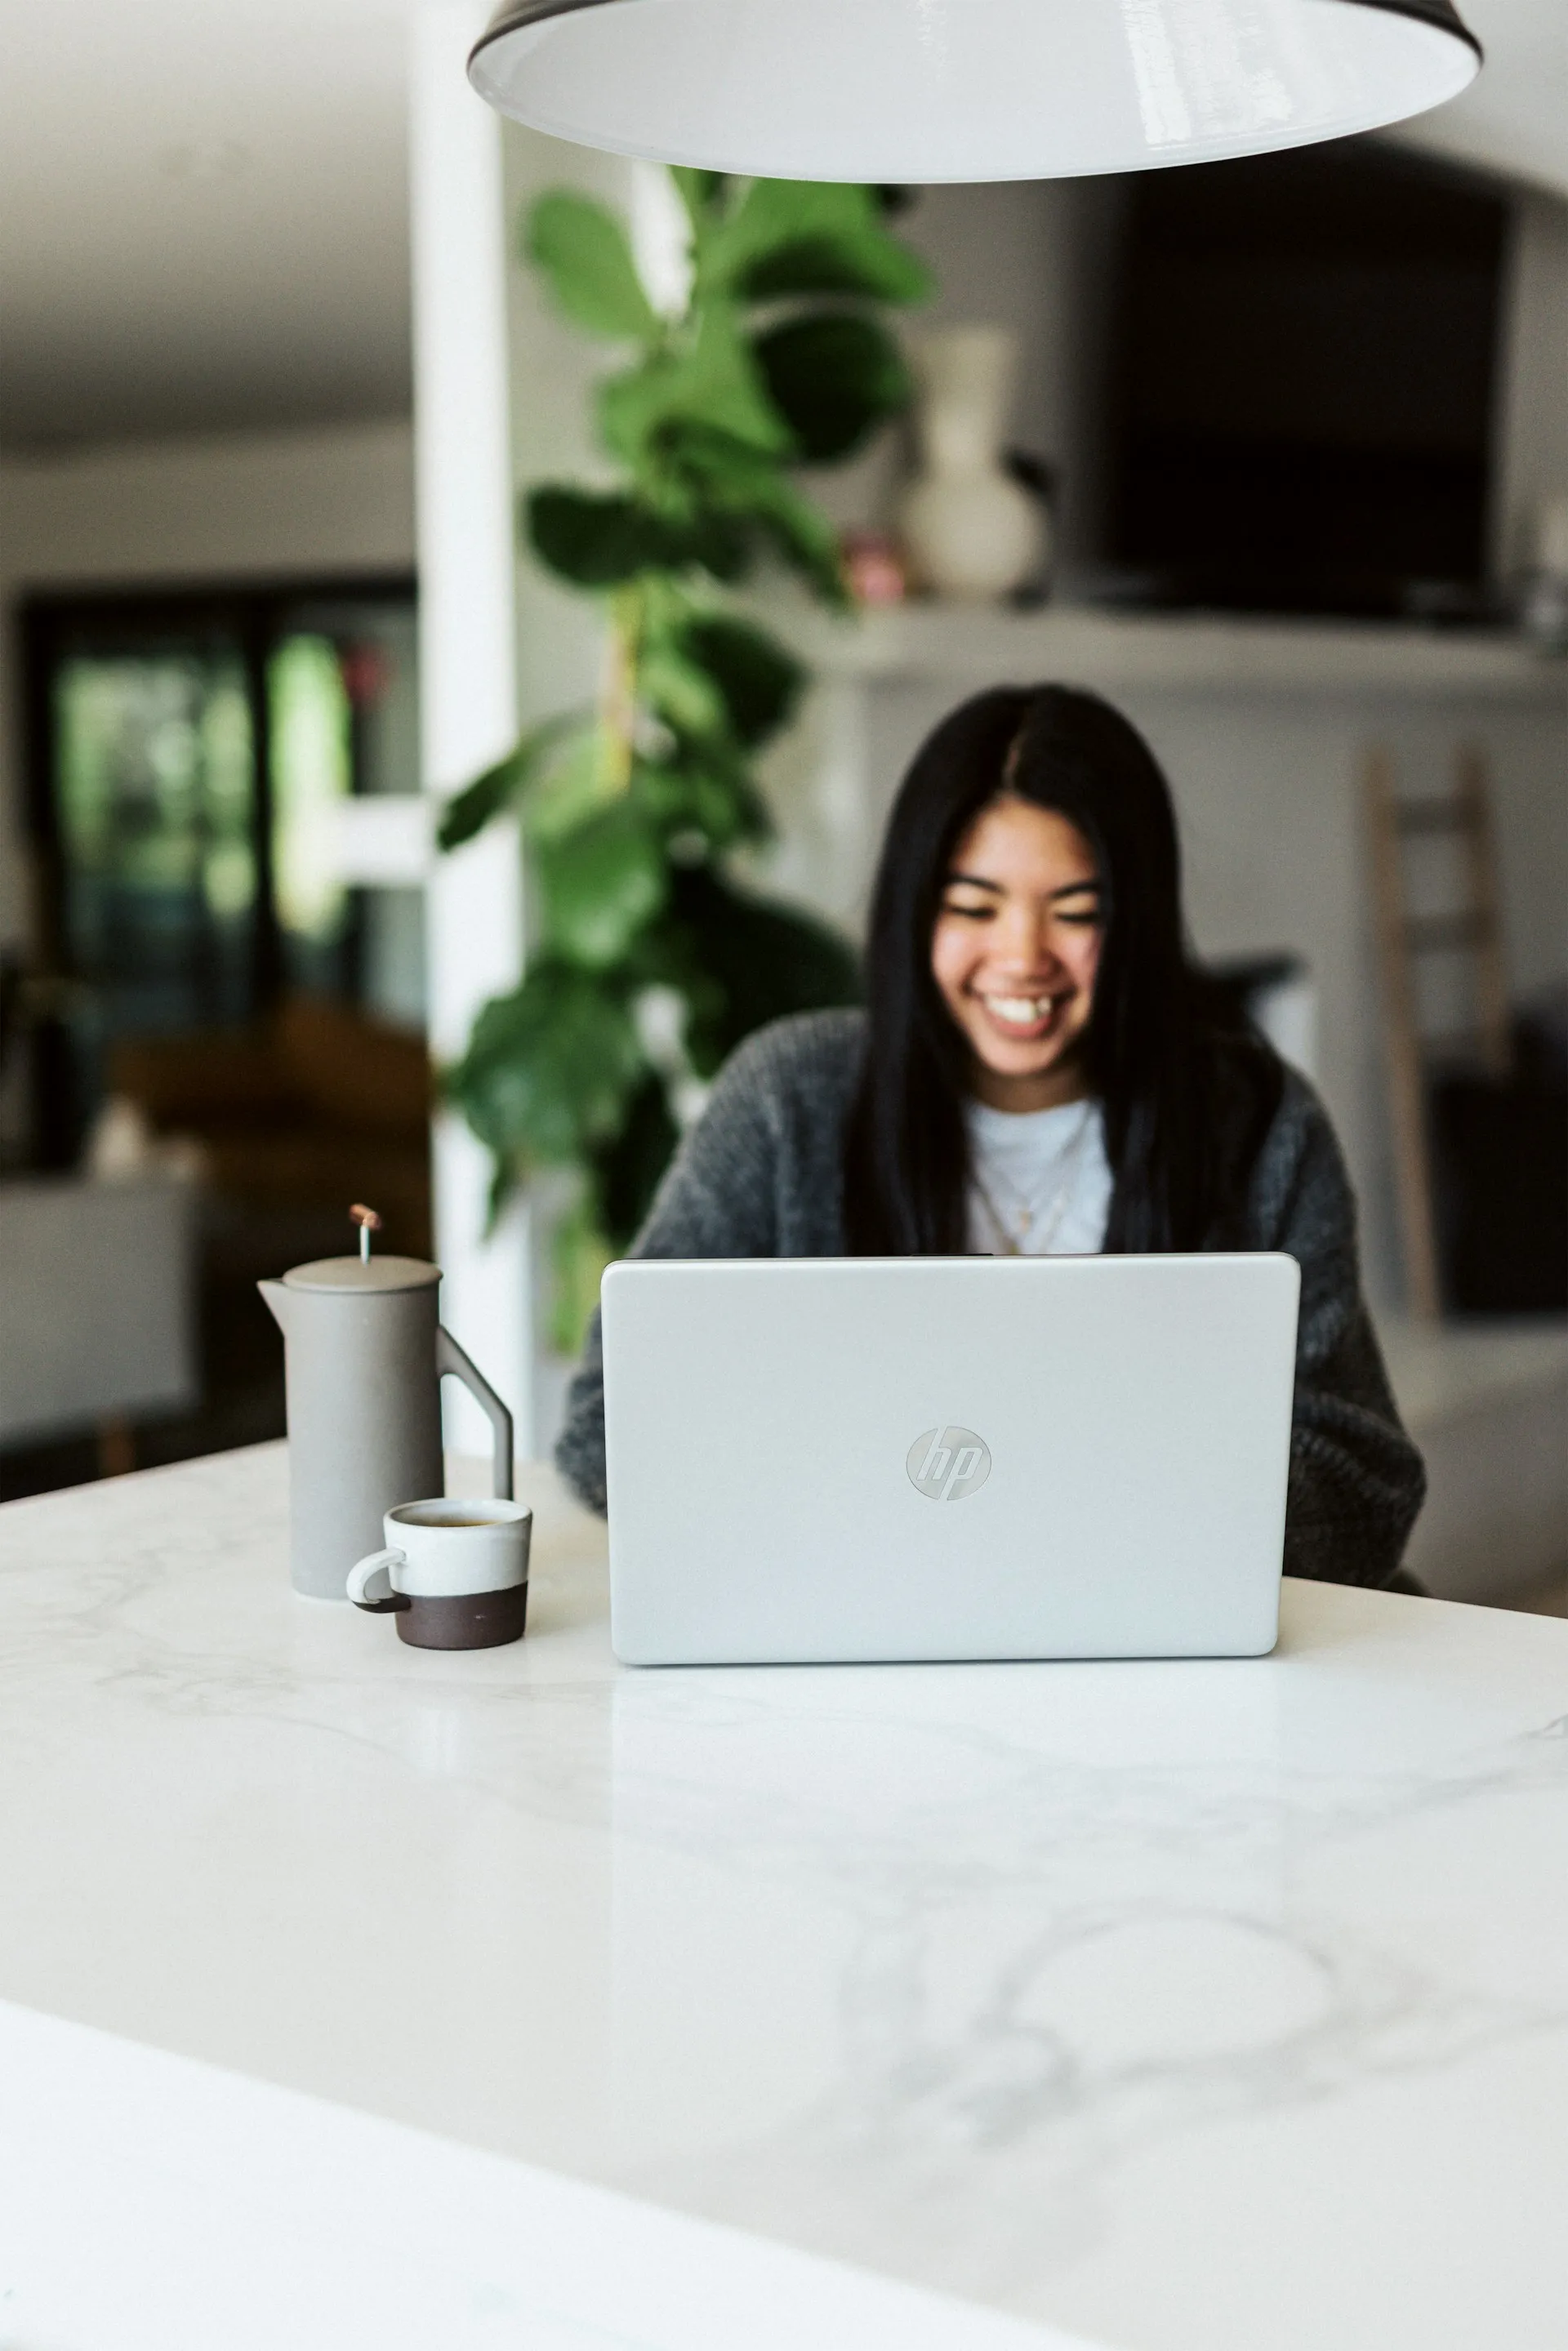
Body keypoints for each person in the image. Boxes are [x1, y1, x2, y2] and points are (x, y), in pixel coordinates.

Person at [556, 683, 1425, 1587]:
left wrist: (1039, 1519)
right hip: (864, 1610)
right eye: (974, 907)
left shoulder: (1258, 1123)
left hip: (1155, 1626)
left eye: (1078, 911)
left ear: (1140, 918)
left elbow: (1361, 1481)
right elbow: (609, 1426)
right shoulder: (790, 1101)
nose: (1022, 956)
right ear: (912, 913)